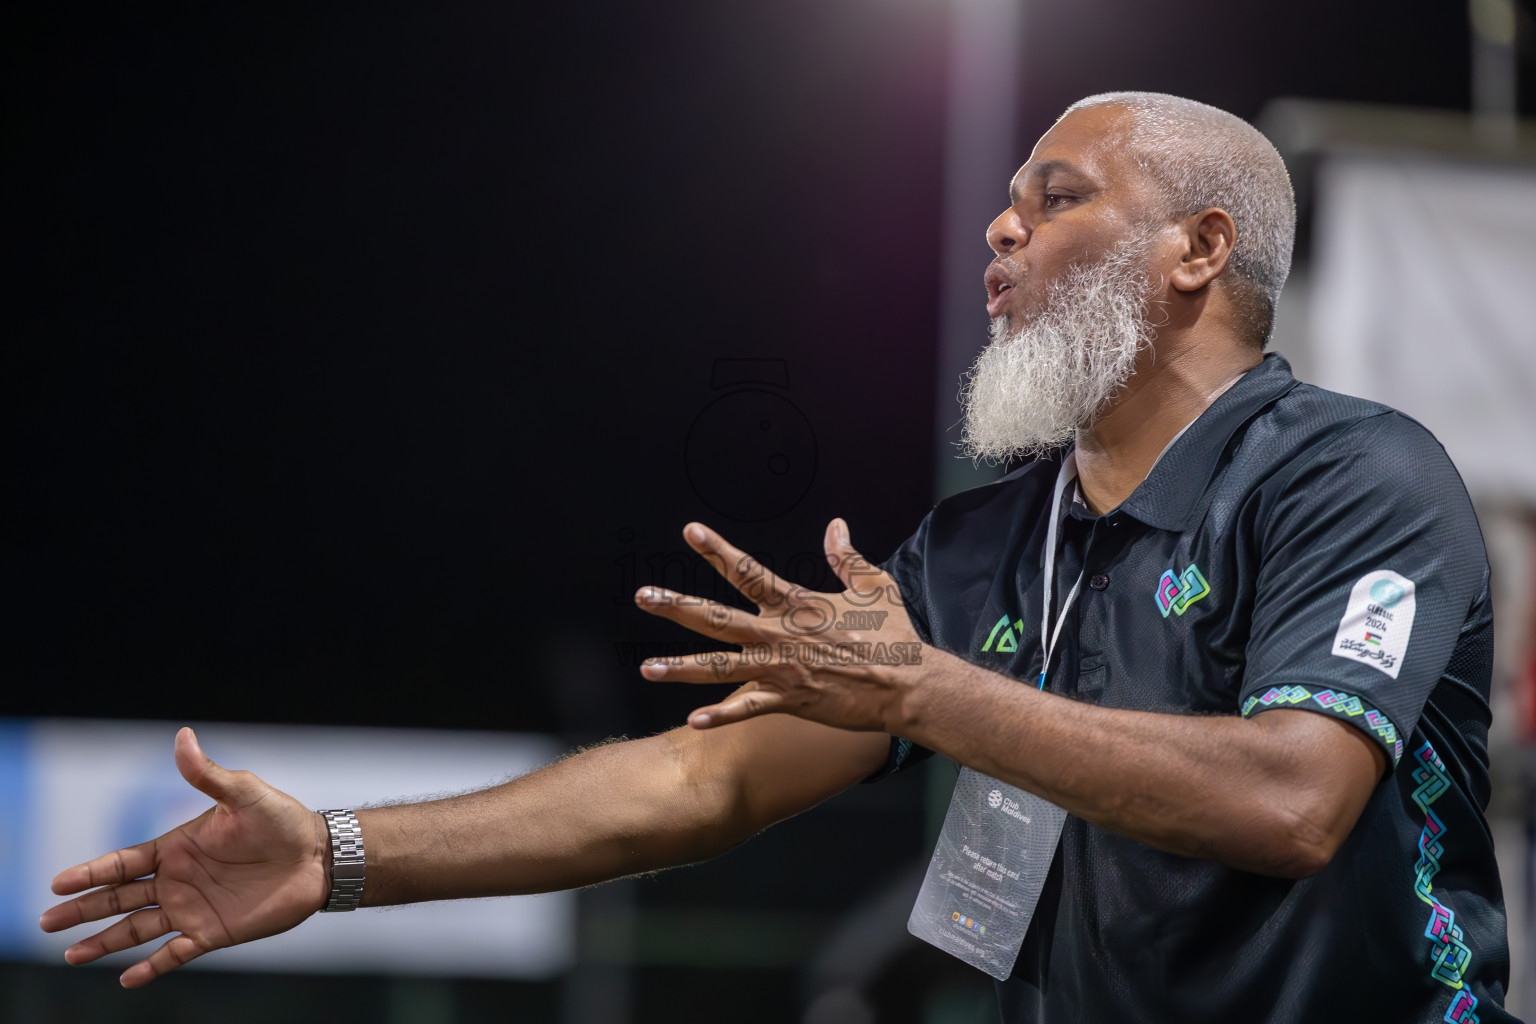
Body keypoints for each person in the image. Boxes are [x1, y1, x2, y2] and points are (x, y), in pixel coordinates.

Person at [40, 92, 1517, 1022]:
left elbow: (1296, 799)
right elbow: (702, 778)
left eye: (1058, 198)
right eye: (1006, 200)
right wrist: (345, 854)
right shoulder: (986, 546)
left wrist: (925, 696)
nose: (1002, 229)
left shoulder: (1351, 472)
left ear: (1200, 250)